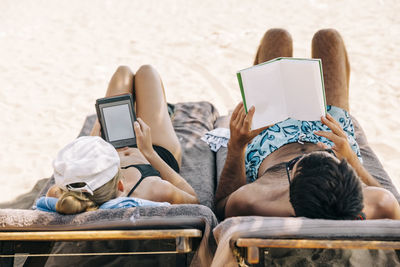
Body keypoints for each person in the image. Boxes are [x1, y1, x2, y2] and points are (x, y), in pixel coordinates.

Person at [215, 28, 400, 220]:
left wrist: (237, 146)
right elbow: (393, 205)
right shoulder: (379, 203)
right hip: (332, 134)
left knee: (276, 37)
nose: (316, 151)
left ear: (291, 188)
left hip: (271, 140)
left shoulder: (256, 200)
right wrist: (350, 158)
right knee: (328, 38)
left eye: (295, 165)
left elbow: (220, 206)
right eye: (334, 162)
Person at [47, 65, 198, 214]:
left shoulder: (63, 195)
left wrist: (94, 143)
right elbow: (194, 200)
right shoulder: (154, 189)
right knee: (147, 72)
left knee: (123, 73)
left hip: (112, 145)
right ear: (121, 185)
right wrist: (148, 152)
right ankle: (164, 111)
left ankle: (141, 107)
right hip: (156, 154)